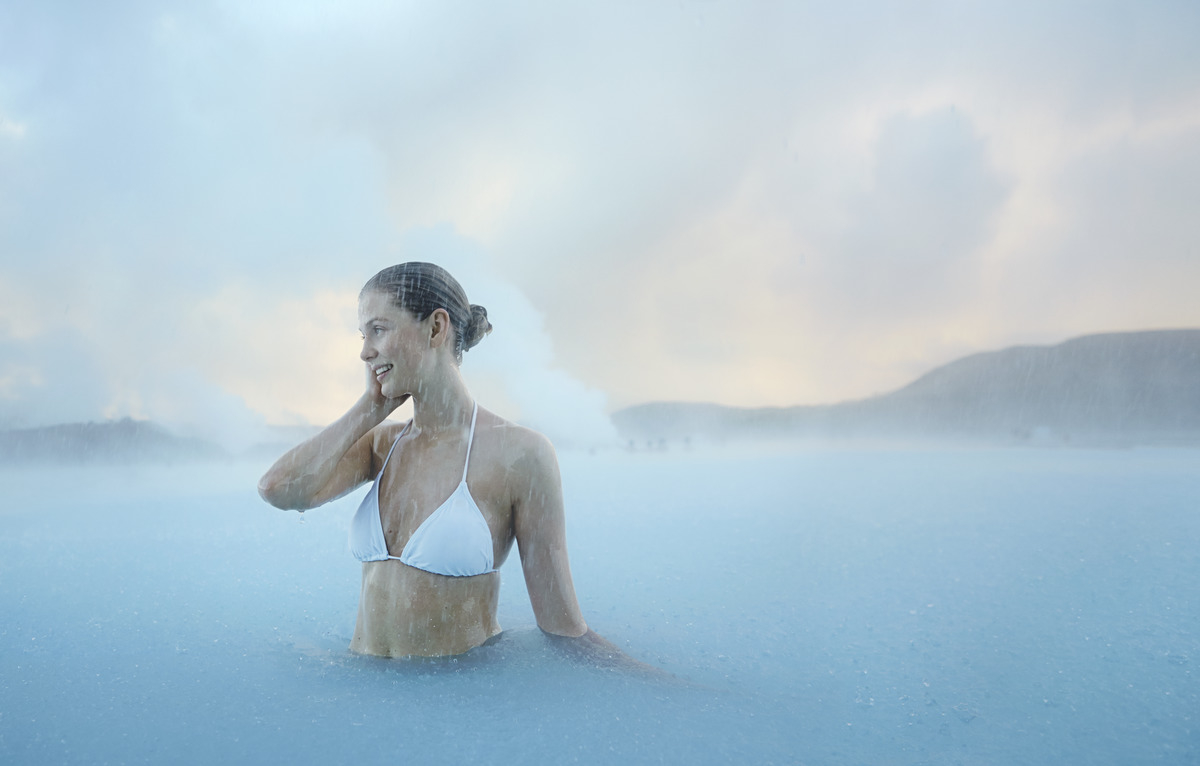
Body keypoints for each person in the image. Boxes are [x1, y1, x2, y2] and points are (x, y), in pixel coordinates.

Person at [258, 262, 629, 663]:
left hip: (458, 705)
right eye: (364, 335)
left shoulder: (520, 455)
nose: (365, 351)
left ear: (436, 328)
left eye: (379, 329)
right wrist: (368, 408)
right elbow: (278, 490)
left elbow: (564, 629)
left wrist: (663, 692)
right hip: (368, 700)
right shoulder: (382, 445)